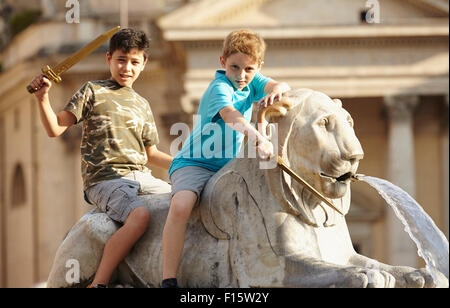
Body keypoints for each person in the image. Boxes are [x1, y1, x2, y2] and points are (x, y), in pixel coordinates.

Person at [29, 28, 173, 288]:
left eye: (134, 62)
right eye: (121, 60)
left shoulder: (143, 104)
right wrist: (43, 98)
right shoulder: (92, 91)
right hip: (105, 180)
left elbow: (151, 154)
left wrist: (187, 166)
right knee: (139, 216)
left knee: (182, 199)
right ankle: (100, 282)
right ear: (109, 59)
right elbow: (55, 129)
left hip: (141, 177)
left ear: (144, 64)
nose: (127, 67)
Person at [161, 29, 291, 288]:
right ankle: (168, 278)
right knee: (181, 206)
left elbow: (280, 85)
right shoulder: (219, 87)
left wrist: (277, 91)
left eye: (248, 69)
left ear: (258, 67)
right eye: (234, 67)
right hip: (195, 163)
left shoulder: (251, 80)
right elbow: (232, 116)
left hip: (228, 167)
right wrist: (257, 137)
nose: (241, 76)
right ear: (222, 62)